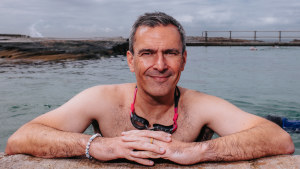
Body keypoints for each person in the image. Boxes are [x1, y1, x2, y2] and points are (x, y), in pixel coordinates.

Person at [5, 12, 294, 166]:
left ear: (183, 60)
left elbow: (279, 140)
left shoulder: (201, 105)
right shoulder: (101, 99)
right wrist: (98, 145)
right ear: (131, 60)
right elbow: (19, 140)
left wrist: (199, 151)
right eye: (147, 53)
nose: (160, 64)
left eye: (170, 52)